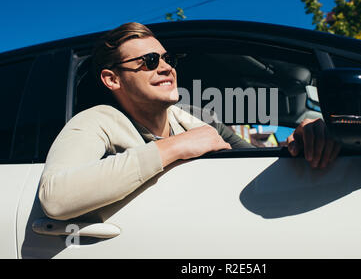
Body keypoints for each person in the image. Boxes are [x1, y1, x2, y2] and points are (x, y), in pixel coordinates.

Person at [38, 22, 340, 221]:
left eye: (167, 59)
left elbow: (251, 164)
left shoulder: (199, 120)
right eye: (150, 62)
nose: (167, 68)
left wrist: (300, 143)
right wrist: (174, 147)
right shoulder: (96, 121)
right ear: (112, 78)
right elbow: (55, 197)